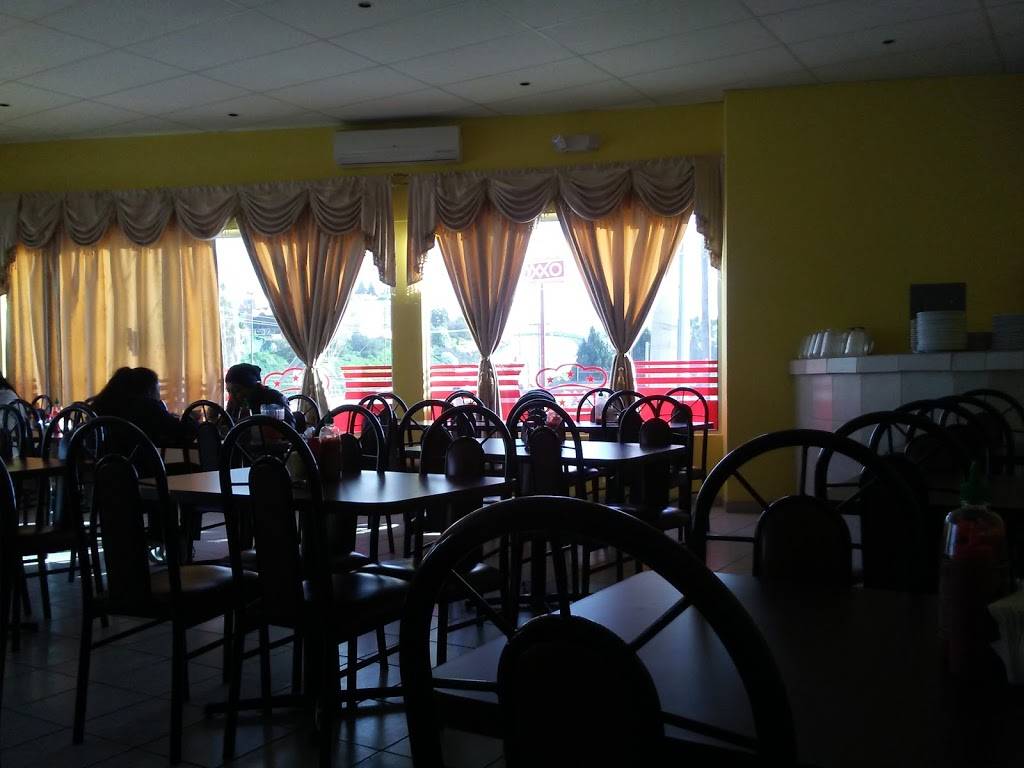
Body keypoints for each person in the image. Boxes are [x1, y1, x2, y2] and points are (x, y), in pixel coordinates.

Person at [91, 367, 195, 448]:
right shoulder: (149, 408)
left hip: (101, 466)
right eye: (158, 388)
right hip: (139, 467)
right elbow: (183, 432)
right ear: (150, 390)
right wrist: (190, 418)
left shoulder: (103, 404)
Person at [224, 363, 294, 426]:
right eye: (229, 391)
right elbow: (225, 426)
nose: (232, 395)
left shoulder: (274, 398)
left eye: (237, 390)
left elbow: (290, 429)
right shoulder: (234, 402)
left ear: (253, 388)